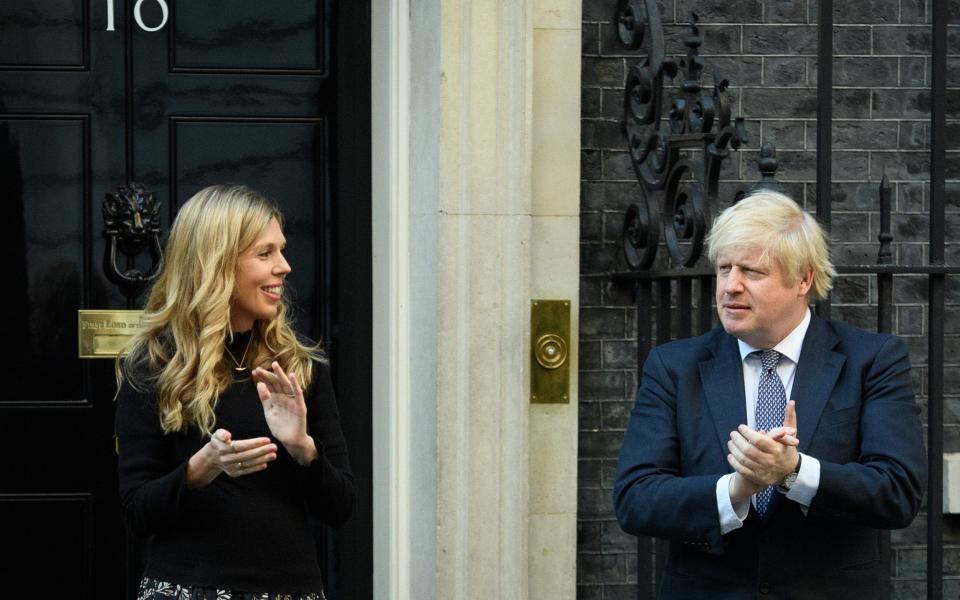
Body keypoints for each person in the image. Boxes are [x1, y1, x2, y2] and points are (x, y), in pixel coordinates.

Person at [613, 190, 926, 599]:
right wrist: (736, 489)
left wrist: (794, 471)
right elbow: (636, 498)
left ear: (803, 279)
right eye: (724, 268)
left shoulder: (872, 360)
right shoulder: (674, 367)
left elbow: (898, 491)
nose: (731, 286)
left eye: (751, 271)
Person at [115, 185, 355, 600]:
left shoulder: (298, 368)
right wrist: (199, 470)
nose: (285, 266)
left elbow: (340, 508)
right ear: (217, 263)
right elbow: (137, 512)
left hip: (290, 590)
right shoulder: (155, 366)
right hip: (186, 589)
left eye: (281, 250)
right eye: (265, 254)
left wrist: (302, 448)